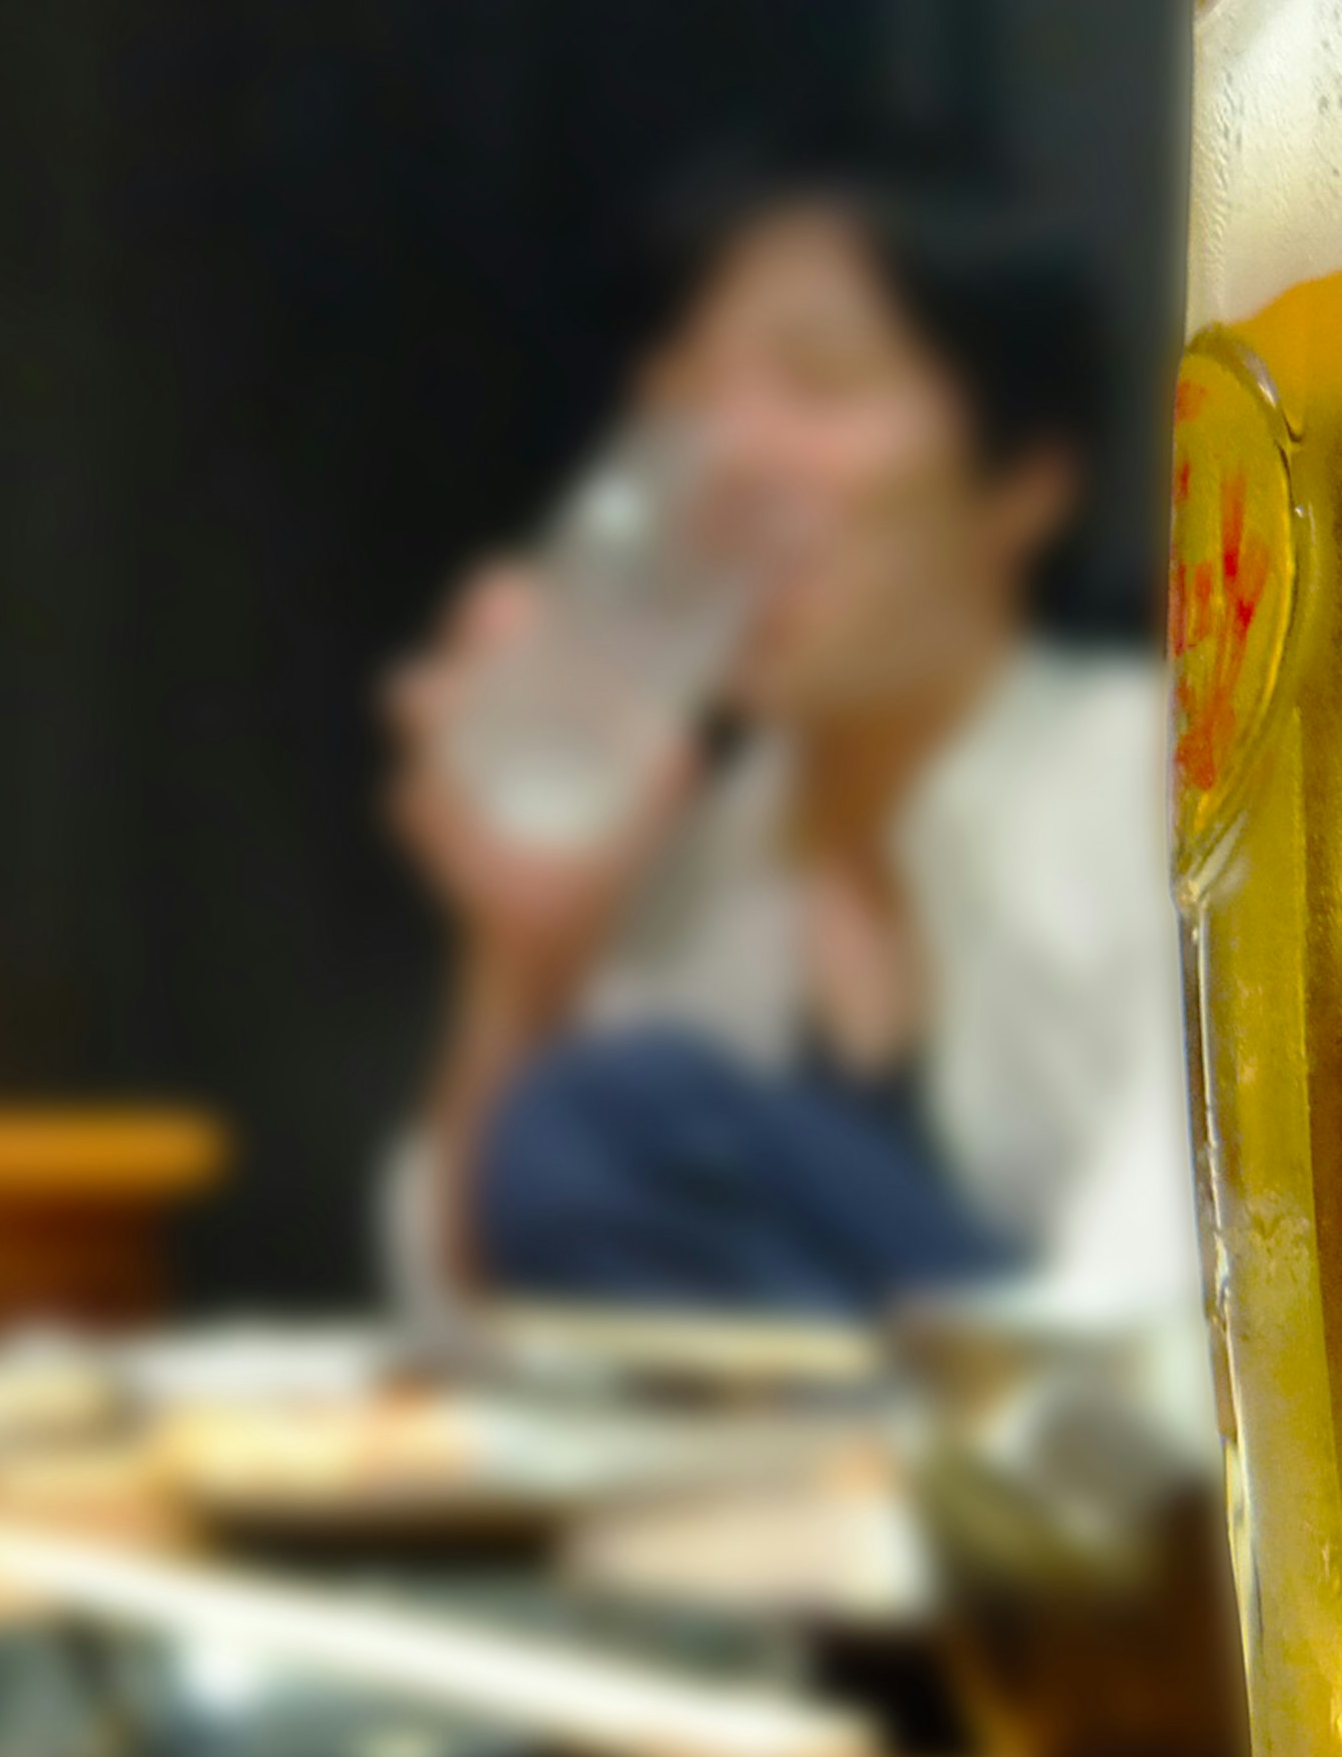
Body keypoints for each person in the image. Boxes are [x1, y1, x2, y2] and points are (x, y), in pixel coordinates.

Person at [382, 167, 1194, 1319]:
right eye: (685, 398)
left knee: (613, 1120)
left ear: (1025, 484)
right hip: (839, 1472)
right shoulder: (709, 847)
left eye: (818, 382)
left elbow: (1186, 1299)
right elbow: (488, 1328)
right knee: (586, 1126)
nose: (726, 461)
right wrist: (524, 956)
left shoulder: (1172, 785)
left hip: (1127, 1451)